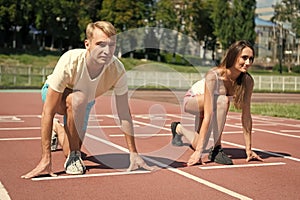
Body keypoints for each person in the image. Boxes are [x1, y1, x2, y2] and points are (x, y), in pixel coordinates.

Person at [21, 21, 157, 179]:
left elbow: (124, 114)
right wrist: (46, 158)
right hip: (57, 95)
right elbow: (48, 112)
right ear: (87, 44)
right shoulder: (70, 60)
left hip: (84, 101)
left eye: (111, 45)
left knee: (69, 148)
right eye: (100, 44)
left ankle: (59, 130)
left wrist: (134, 153)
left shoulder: (117, 70)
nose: (106, 51)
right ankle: (73, 154)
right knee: (76, 102)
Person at [171, 40, 263, 166]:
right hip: (193, 100)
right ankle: (217, 148)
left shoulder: (247, 81)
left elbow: (246, 116)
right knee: (222, 100)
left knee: (199, 143)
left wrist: (249, 149)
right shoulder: (214, 76)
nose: (248, 63)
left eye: (251, 59)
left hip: (212, 104)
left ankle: (178, 128)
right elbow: (209, 114)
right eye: (244, 58)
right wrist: (198, 153)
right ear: (233, 56)